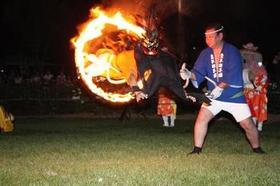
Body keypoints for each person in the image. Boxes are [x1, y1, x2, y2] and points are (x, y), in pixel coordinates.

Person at [180, 23, 265, 154]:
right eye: (206, 37)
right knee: (202, 119)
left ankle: (257, 148)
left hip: (233, 97)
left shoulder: (233, 51)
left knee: (247, 125)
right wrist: (188, 75)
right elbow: (197, 74)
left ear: (220, 36)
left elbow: (233, 74)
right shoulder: (205, 53)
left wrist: (219, 88)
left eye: (211, 37)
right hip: (214, 98)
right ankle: (196, 150)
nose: (207, 40)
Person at [241, 42, 268, 131]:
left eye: (251, 48)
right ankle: (251, 125)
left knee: (259, 106)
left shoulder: (259, 63)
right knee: (248, 108)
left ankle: (259, 126)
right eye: (247, 47)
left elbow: (264, 75)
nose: (249, 56)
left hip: (258, 90)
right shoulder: (243, 65)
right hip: (246, 90)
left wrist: (260, 85)